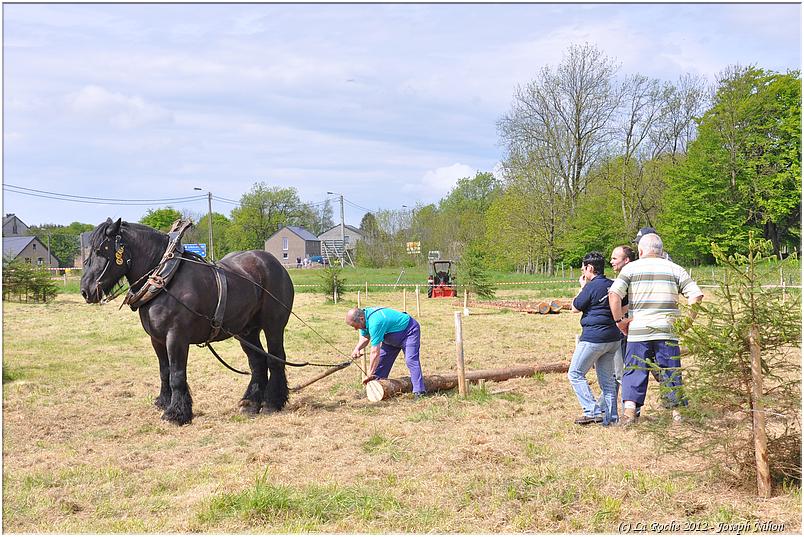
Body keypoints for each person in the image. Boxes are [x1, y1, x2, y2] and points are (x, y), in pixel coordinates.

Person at [608, 233, 703, 426]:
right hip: (667, 330)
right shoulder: (675, 269)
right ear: (661, 250)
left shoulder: (631, 268)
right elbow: (696, 295)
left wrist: (620, 321)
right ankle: (677, 416)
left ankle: (629, 414)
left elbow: (614, 295)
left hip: (638, 329)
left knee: (634, 370)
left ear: (641, 250)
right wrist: (687, 323)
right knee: (670, 371)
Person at [567, 252, 621, 426]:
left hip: (593, 338)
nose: (582, 271)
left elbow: (575, 307)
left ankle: (592, 411)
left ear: (590, 268)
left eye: (583, 268)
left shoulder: (591, 287)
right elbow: (624, 305)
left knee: (575, 373)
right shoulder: (613, 284)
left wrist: (583, 287)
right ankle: (611, 417)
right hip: (613, 338)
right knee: (607, 381)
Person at [345, 306, 426, 396]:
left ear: (361, 319)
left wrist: (369, 374)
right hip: (390, 337)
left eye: (354, 326)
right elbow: (365, 337)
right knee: (381, 363)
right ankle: (375, 389)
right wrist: (357, 348)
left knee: (410, 360)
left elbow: (375, 352)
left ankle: (419, 391)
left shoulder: (375, 322)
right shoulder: (363, 321)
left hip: (409, 332)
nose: (355, 329)